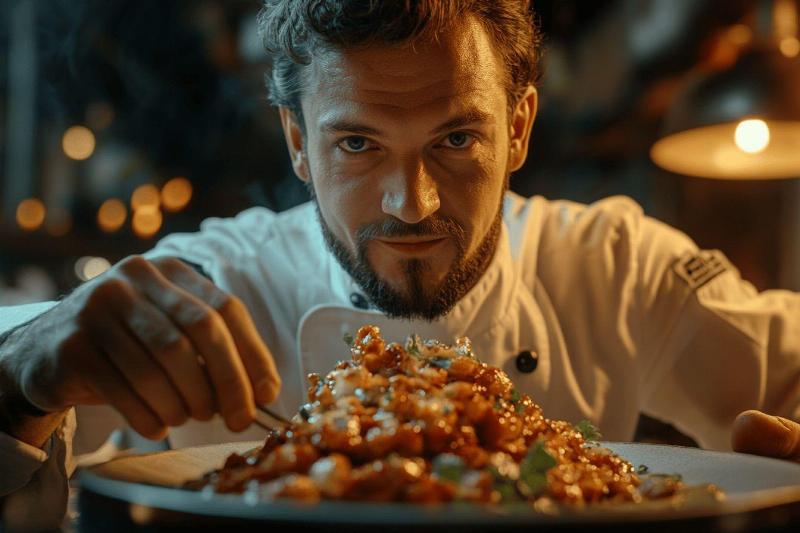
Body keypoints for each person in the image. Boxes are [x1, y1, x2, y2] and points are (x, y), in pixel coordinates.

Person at [1, 0, 799, 529]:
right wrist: (17, 380)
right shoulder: (212, 284)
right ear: (296, 144)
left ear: (518, 127)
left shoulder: (617, 268)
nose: (410, 204)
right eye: (357, 143)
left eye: (456, 139)